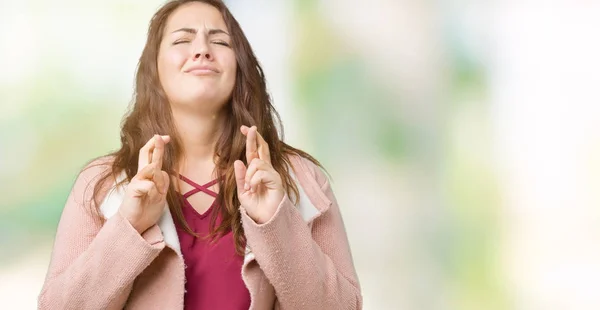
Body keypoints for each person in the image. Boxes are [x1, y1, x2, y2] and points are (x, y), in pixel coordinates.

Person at [38, 0, 361, 309]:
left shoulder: (298, 178)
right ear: (155, 68)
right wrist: (130, 225)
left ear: (239, 65)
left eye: (220, 41)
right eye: (183, 39)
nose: (202, 49)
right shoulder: (104, 183)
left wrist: (277, 220)